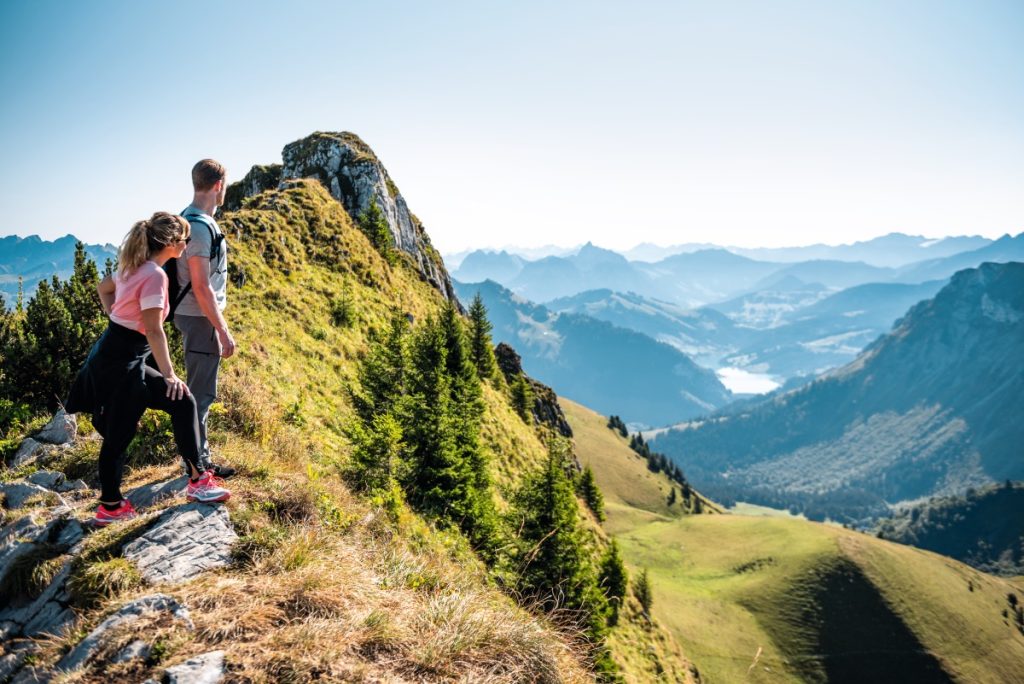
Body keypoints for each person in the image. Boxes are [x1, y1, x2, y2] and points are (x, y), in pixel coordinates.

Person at [66, 212, 231, 525]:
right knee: (119, 434)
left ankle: (198, 481)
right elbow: (155, 330)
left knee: (183, 402)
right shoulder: (155, 274)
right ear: (170, 242)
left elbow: (104, 289)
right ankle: (111, 506)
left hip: (118, 351)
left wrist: (116, 316)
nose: (187, 243)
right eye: (184, 238)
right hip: (122, 361)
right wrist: (169, 374)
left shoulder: (133, 266)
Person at [173, 159, 237, 478]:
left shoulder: (191, 220)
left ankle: (200, 459)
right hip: (200, 318)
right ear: (217, 186)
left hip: (196, 316)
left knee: (201, 392)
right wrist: (222, 331)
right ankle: (198, 466)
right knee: (201, 394)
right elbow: (200, 286)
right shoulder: (198, 226)